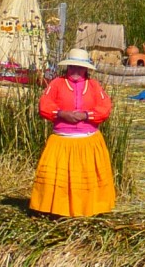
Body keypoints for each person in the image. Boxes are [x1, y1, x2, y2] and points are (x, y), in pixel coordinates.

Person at [32, 48, 116, 217]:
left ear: (86, 69)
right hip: (62, 141)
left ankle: (89, 208)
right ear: (67, 67)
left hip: (88, 141)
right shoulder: (57, 83)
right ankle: (56, 209)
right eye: (72, 67)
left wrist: (86, 115)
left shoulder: (93, 86)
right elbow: (44, 105)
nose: (76, 71)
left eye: (80, 68)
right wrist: (61, 114)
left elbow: (105, 108)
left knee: (85, 179)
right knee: (58, 179)